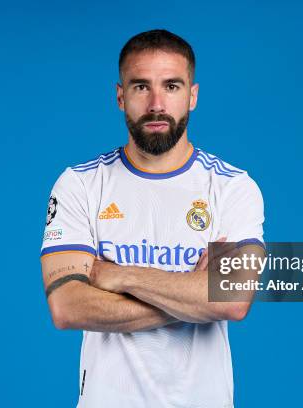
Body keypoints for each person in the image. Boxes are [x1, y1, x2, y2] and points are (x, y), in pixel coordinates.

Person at [40, 29, 265, 408]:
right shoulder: (80, 183)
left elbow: (232, 300)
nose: (157, 103)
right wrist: (192, 294)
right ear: (120, 96)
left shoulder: (232, 188)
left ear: (192, 96)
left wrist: (120, 276)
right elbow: (67, 307)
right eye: (141, 87)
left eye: (172, 86)